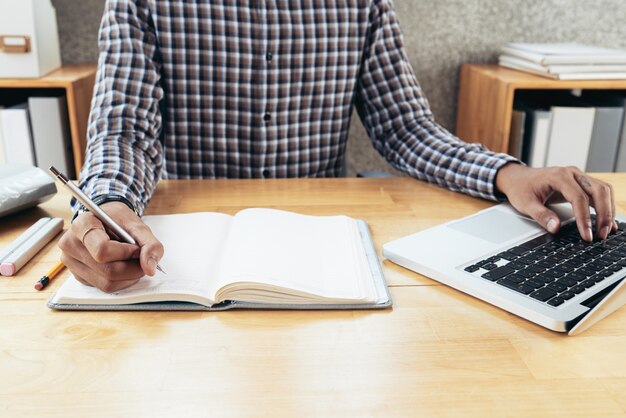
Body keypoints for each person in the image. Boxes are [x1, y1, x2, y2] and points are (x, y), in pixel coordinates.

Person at [59, 0, 616, 292]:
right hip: (185, 246)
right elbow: (125, 131)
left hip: (323, 241)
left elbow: (404, 128)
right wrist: (108, 206)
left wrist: (506, 174)